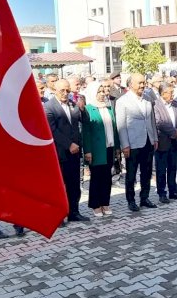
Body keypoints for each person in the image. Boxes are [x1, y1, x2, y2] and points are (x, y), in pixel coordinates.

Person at [44, 79, 88, 223]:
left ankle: (73, 212)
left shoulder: (73, 104)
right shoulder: (49, 107)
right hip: (59, 153)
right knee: (59, 186)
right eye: (62, 90)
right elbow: (53, 130)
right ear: (55, 90)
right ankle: (58, 215)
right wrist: (69, 144)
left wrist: (82, 109)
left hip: (74, 153)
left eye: (68, 91)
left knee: (74, 184)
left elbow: (84, 122)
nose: (65, 93)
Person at [116, 73, 159, 212]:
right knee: (131, 173)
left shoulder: (147, 98)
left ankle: (144, 197)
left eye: (144, 82)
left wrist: (155, 138)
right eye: (140, 83)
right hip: (132, 143)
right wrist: (125, 145)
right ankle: (131, 200)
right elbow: (121, 125)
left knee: (146, 172)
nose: (143, 85)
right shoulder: (123, 101)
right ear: (131, 84)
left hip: (148, 140)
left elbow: (151, 120)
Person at [82, 81, 119, 218]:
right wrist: (88, 151)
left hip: (109, 147)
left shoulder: (108, 107)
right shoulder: (88, 109)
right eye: (100, 92)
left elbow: (114, 129)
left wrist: (117, 148)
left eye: (104, 91)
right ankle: (95, 204)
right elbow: (86, 132)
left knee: (107, 177)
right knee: (97, 177)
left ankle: (105, 202)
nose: (103, 94)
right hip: (96, 150)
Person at [153, 83, 177, 204]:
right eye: (171, 92)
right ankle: (162, 193)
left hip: (174, 141)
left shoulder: (175, 104)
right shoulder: (155, 105)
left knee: (172, 168)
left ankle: (173, 191)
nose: (173, 95)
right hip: (162, 141)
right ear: (163, 93)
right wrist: (173, 131)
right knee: (161, 170)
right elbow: (158, 122)